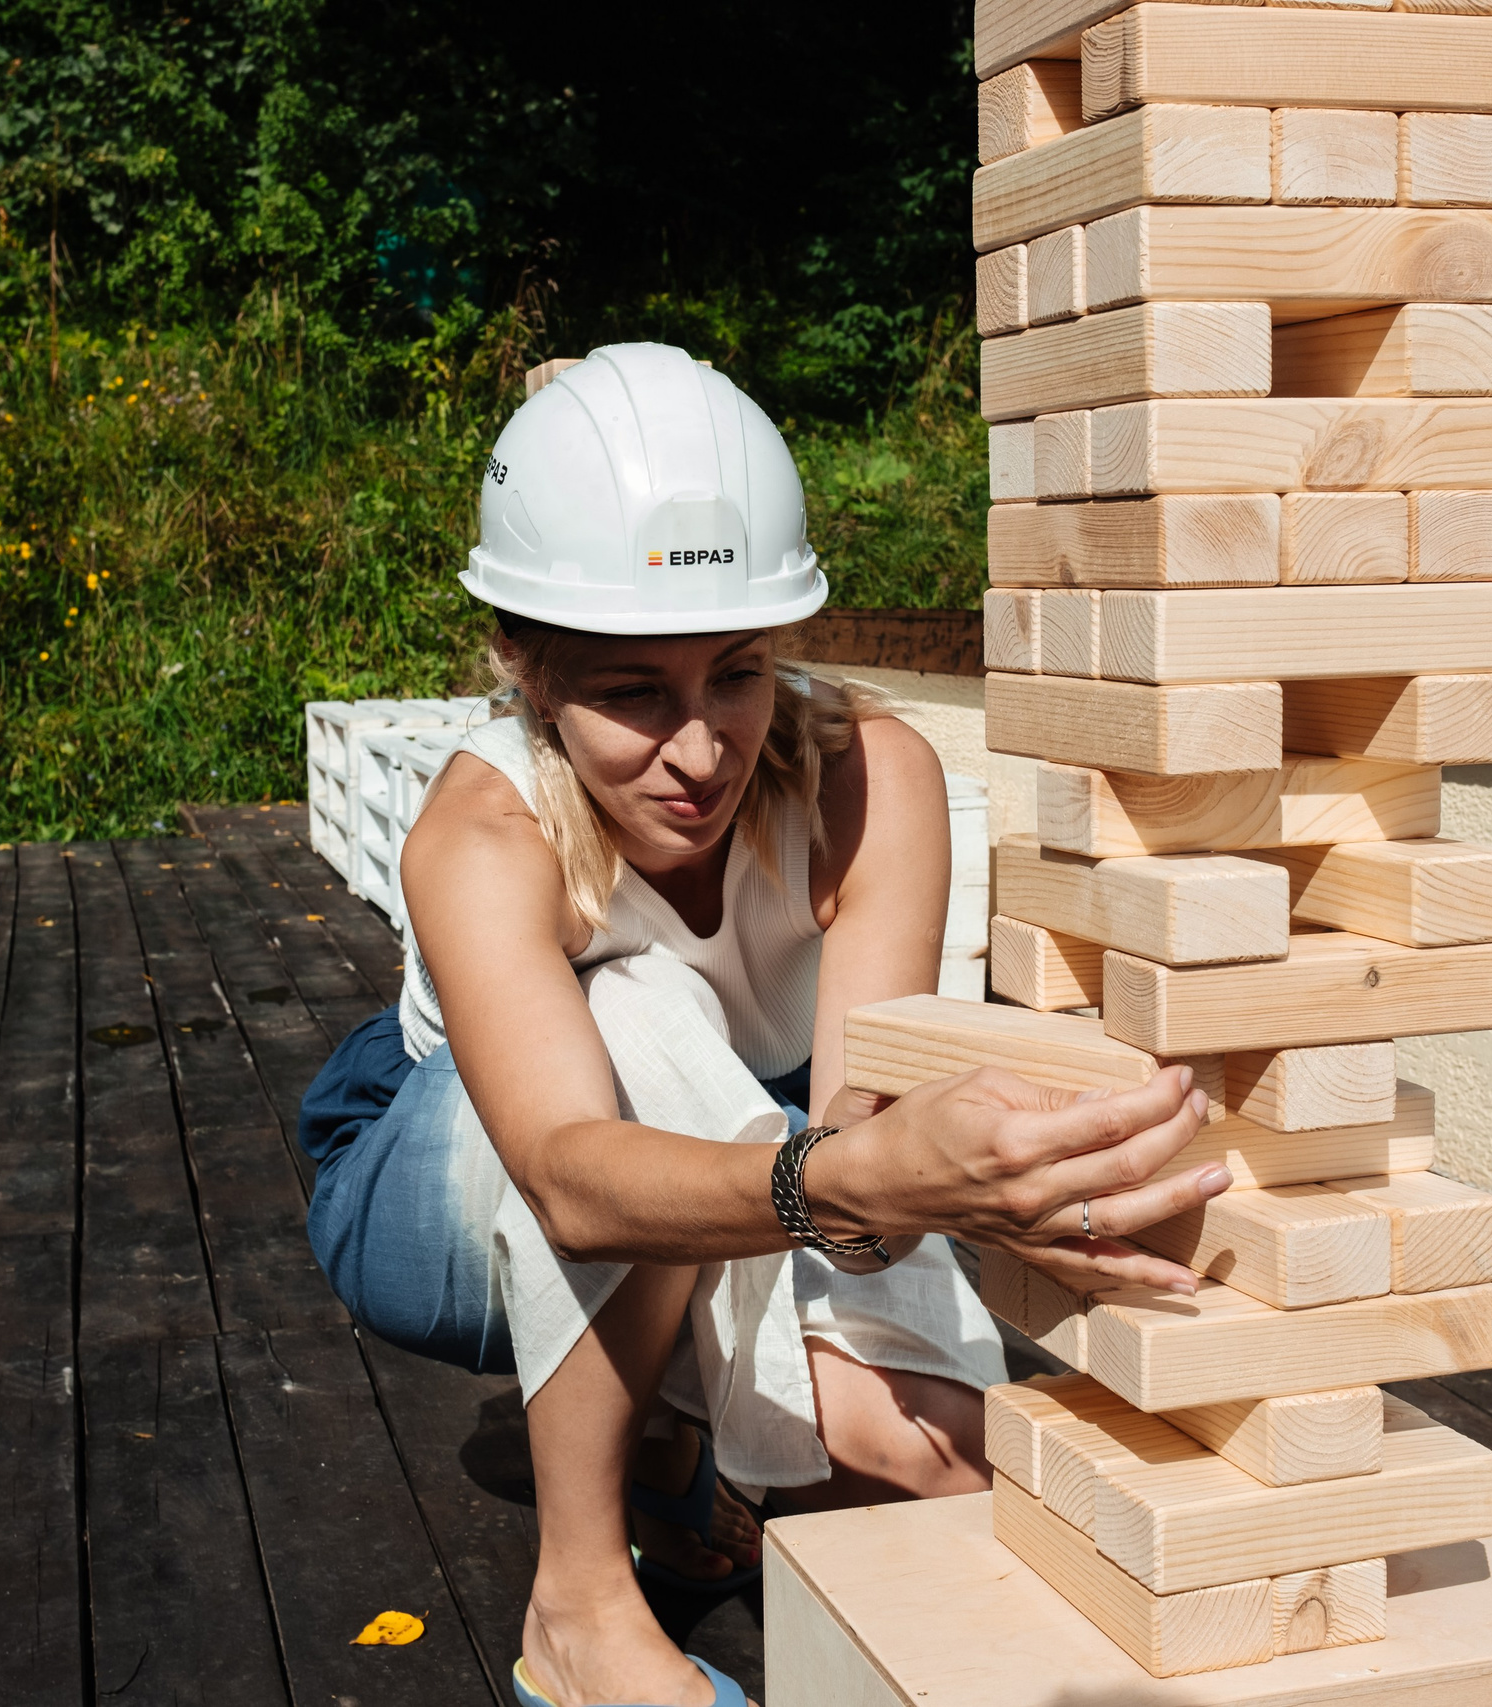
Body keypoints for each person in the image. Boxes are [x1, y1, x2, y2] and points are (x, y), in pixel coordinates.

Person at [296, 344, 1232, 1707]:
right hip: (433, 1195)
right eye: (632, 693)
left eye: (736, 673)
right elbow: (568, 1169)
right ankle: (579, 1607)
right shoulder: (481, 828)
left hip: (737, 1140)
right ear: (523, 664)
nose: (701, 750)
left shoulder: (871, 779)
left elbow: (862, 1147)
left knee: (920, 1456)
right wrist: (844, 1180)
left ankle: (671, 1447)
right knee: (632, 1005)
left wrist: (987, 1189)